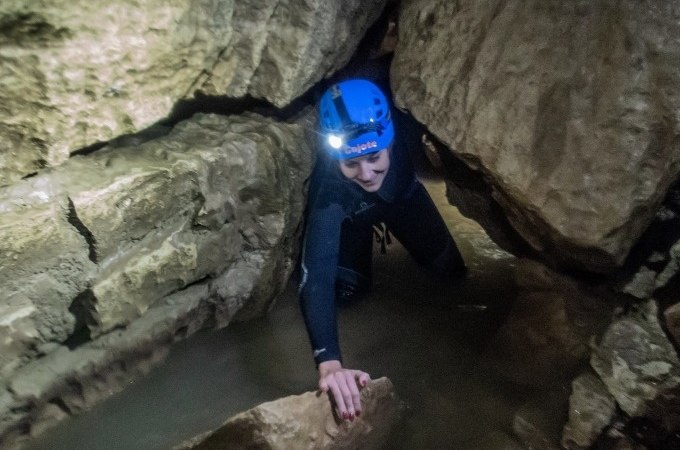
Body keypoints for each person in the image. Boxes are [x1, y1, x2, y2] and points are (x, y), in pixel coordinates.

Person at [298, 79, 466, 421]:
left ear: (389, 141)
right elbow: (315, 276)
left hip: (405, 201)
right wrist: (329, 362)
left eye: (374, 156)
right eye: (351, 164)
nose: (367, 173)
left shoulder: (407, 128)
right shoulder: (330, 186)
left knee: (453, 276)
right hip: (354, 222)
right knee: (348, 295)